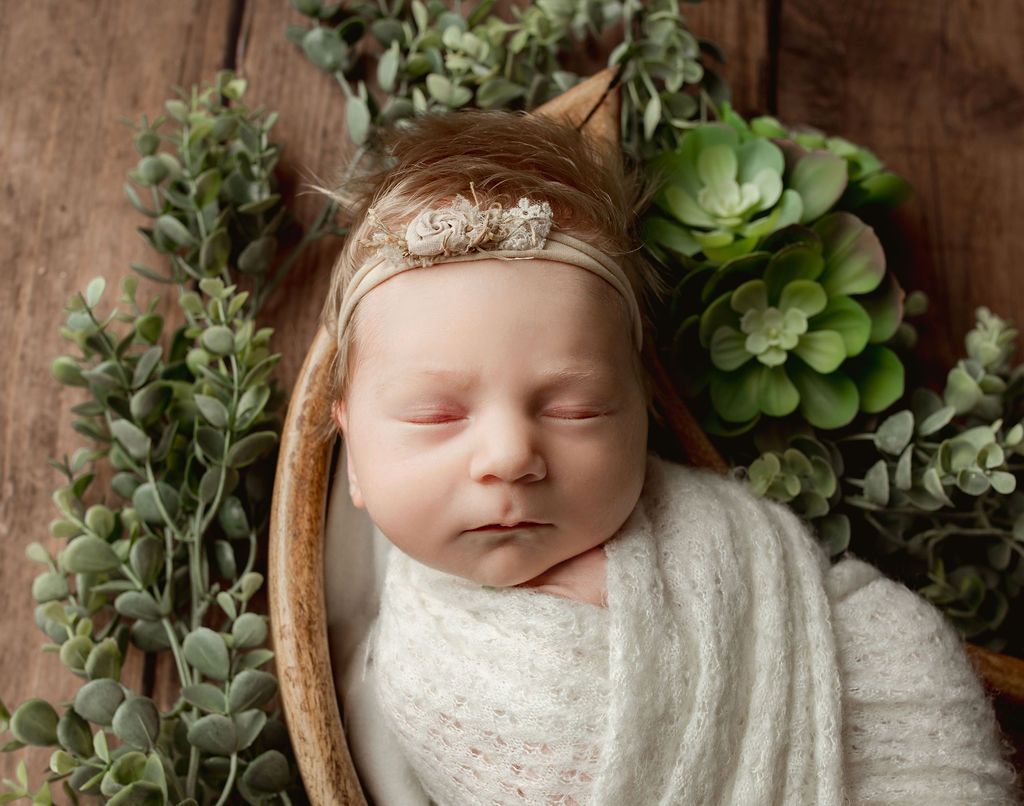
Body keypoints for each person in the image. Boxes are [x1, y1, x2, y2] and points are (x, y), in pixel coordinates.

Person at [318, 108, 1019, 805]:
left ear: (645, 412)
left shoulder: (711, 535)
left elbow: (877, 650)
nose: (510, 456)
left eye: (575, 409)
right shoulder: (412, 676)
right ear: (352, 451)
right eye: (437, 415)